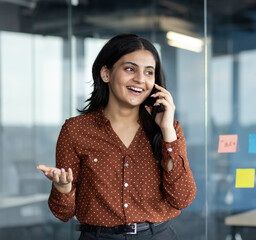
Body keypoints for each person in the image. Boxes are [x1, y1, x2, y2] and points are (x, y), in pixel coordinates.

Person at [37, 33, 197, 240]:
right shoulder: (75, 130)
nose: (140, 79)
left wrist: (167, 131)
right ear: (106, 74)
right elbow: (63, 213)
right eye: (130, 69)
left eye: (149, 72)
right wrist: (62, 187)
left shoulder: (169, 128)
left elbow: (182, 199)